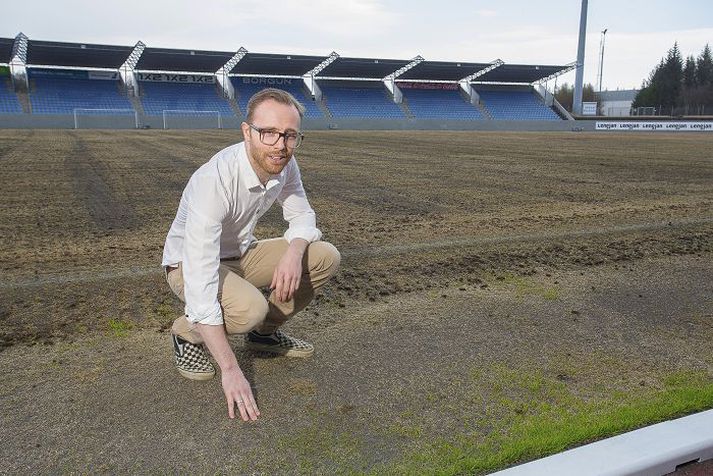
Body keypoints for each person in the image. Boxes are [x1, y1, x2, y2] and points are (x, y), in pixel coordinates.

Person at [161, 88, 340, 422]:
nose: (280, 145)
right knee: (249, 310)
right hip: (188, 264)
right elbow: (200, 276)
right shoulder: (214, 180)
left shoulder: (286, 164)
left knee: (323, 256)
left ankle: (264, 334)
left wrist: (293, 252)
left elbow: (302, 217)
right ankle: (186, 332)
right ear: (247, 132)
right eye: (268, 133)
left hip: (239, 255)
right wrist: (230, 369)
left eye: (289, 135)